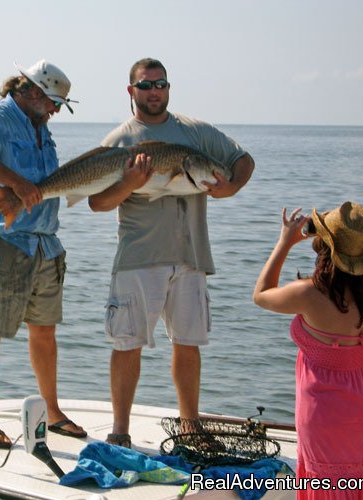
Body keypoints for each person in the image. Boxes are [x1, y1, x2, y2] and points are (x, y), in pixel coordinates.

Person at [89, 57, 255, 448]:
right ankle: (120, 431)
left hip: (192, 254)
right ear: (131, 92)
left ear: (168, 87)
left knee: (189, 343)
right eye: (145, 85)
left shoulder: (195, 133)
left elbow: (242, 161)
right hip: (139, 257)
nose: (154, 91)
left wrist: (230, 188)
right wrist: (129, 183)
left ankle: (190, 426)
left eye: (160, 84)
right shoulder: (119, 142)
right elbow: (97, 204)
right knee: (127, 343)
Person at [0, 60, 86, 448]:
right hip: (4, 242)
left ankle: (53, 409)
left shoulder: (39, 125)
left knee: (45, 331)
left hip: (46, 243)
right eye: (52, 102)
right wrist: (15, 182)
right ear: (31, 91)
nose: (56, 111)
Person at [253, 202, 363, 499]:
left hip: (323, 408)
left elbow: (261, 295)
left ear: (325, 247)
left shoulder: (308, 293)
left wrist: (285, 242)